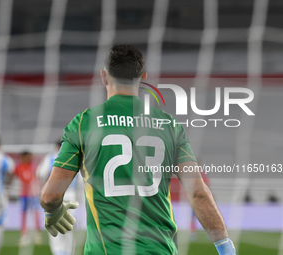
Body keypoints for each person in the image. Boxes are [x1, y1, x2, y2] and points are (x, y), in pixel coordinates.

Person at [40, 45, 236, 255]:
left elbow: (50, 196)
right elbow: (198, 193)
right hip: (159, 249)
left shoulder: (83, 123)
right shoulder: (169, 125)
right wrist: (225, 247)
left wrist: (53, 212)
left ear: (104, 76)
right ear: (142, 77)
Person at [37, 140, 80, 255]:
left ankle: (58, 252)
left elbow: (40, 174)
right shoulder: (76, 158)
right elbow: (81, 180)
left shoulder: (50, 158)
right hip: (71, 195)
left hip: (54, 194)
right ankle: (68, 252)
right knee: (69, 226)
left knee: (54, 225)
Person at [14, 151, 41, 245]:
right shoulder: (19, 167)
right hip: (24, 194)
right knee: (24, 214)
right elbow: (15, 175)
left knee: (35, 213)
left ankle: (37, 234)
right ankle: (24, 234)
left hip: (33, 194)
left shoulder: (34, 166)